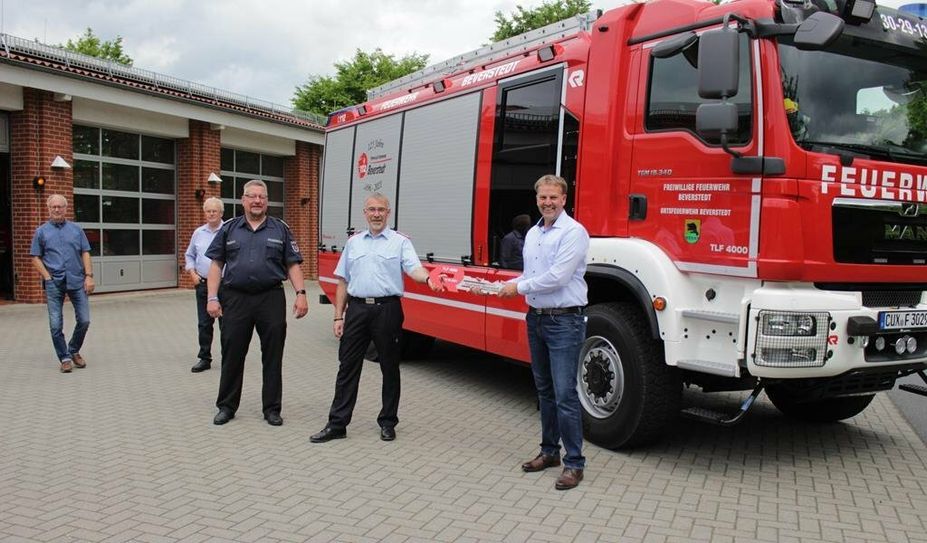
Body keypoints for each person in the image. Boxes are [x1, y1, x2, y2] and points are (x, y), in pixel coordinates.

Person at [310, 193, 441, 443]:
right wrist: (338, 317)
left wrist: (428, 278)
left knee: (389, 367)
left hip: (387, 310)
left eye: (381, 209)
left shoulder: (400, 242)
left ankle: (388, 422)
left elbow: (414, 268)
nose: (377, 214)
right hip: (357, 310)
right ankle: (337, 424)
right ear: (365, 213)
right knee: (347, 367)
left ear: (388, 213)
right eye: (372, 209)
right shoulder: (354, 242)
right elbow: (343, 281)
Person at [498, 174, 589, 490]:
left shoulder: (574, 232)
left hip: (564, 321)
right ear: (536, 199)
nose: (548, 202)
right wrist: (506, 285)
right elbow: (533, 274)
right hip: (536, 319)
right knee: (545, 391)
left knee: (565, 394)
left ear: (564, 199)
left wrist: (517, 287)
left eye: (554, 197)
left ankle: (574, 464)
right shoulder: (534, 233)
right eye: (542, 197)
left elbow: (558, 277)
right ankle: (549, 451)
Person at [205, 180, 308, 426]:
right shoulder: (229, 229)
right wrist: (212, 297)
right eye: (252, 196)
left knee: (272, 354)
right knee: (232, 354)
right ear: (243, 200)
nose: (257, 201)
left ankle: (272, 408)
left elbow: (293, 263)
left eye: (261, 196)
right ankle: (227, 406)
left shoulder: (280, 228)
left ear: (267, 200)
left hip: (270, 297)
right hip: (235, 298)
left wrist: (301, 293)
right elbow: (216, 264)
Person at [30, 194, 94, 373]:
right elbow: (35, 257)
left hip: (77, 280)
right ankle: (64, 357)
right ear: (49, 209)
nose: (57, 209)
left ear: (66, 209)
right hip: (54, 283)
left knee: (85, 320)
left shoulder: (76, 230)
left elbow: (85, 252)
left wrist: (89, 276)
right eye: (53, 207)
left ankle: (73, 350)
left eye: (60, 206)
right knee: (55, 324)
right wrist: (47, 276)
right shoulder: (41, 232)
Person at [184, 197, 224, 373]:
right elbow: (189, 255)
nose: (211, 214)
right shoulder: (198, 233)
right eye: (208, 211)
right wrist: (192, 273)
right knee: (204, 323)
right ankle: (204, 357)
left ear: (221, 213)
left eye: (214, 210)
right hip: (203, 284)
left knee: (228, 324)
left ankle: (229, 358)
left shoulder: (229, 231)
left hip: (226, 285)